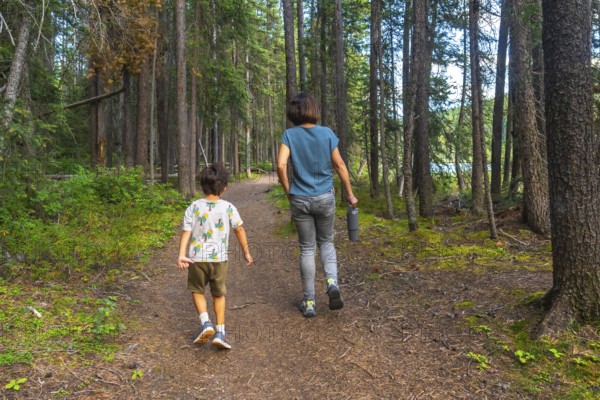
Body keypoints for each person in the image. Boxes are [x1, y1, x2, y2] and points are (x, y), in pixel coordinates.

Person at [277, 93, 358, 318]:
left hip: (300, 199)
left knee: (306, 248)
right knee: (327, 242)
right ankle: (332, 283)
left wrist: (289, 191)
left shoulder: (289, 135)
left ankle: (309, 301)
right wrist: (350, 195)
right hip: (325, 198)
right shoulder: (327, 134)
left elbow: (281, 165)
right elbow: (340, 165)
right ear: (313, 109)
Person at [177, 164, 253, 349]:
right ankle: (220, 332)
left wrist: (181, 255)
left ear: (202, 186)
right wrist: (246, 251)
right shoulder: (228, 207)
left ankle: (205, 323)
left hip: (197, 258)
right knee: (218, 294)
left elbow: (186, 232)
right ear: (224, 187)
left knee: (197, 291)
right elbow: (239, 229)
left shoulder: (193, 207)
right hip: (219, 260)